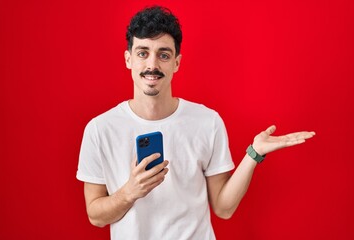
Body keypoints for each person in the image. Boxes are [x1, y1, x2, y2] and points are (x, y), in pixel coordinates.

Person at [76, 6, 315, 240]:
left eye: (163, 54)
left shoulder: (207, 122)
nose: (152, 65)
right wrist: (129, 193)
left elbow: (224, 208)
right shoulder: (99, 129)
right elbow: (96, 216)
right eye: (142, 53)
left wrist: (254, 154)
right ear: (128, 59)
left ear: (176, 63)